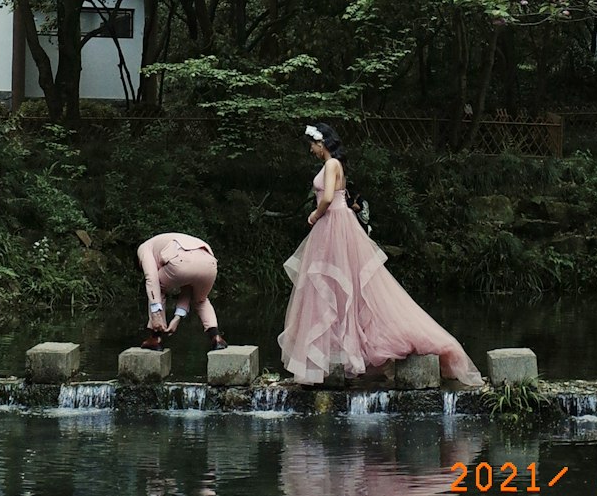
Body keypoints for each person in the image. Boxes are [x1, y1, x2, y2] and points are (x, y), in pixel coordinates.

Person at [278, 124, 483, 387]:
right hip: (339, 224)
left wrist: (315, 215)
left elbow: (328, 197)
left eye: (313, 144)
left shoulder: (331, 165)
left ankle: (335, 358)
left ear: (323, 143)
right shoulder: (336, 164)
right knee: (342, 285)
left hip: (333, 224)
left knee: (333, 285)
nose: (311, 149)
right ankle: (339, 355)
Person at [136, 233, 228, 351]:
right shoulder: (164, 241)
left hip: (180, 261)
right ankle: (216, 337)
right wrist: (177, 318)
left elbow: (151, 278)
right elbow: (188, 287)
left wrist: (156, 313)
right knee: (201, 300)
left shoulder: (143, 248)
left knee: (157, 288)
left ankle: (155, 337)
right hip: (209, 263)